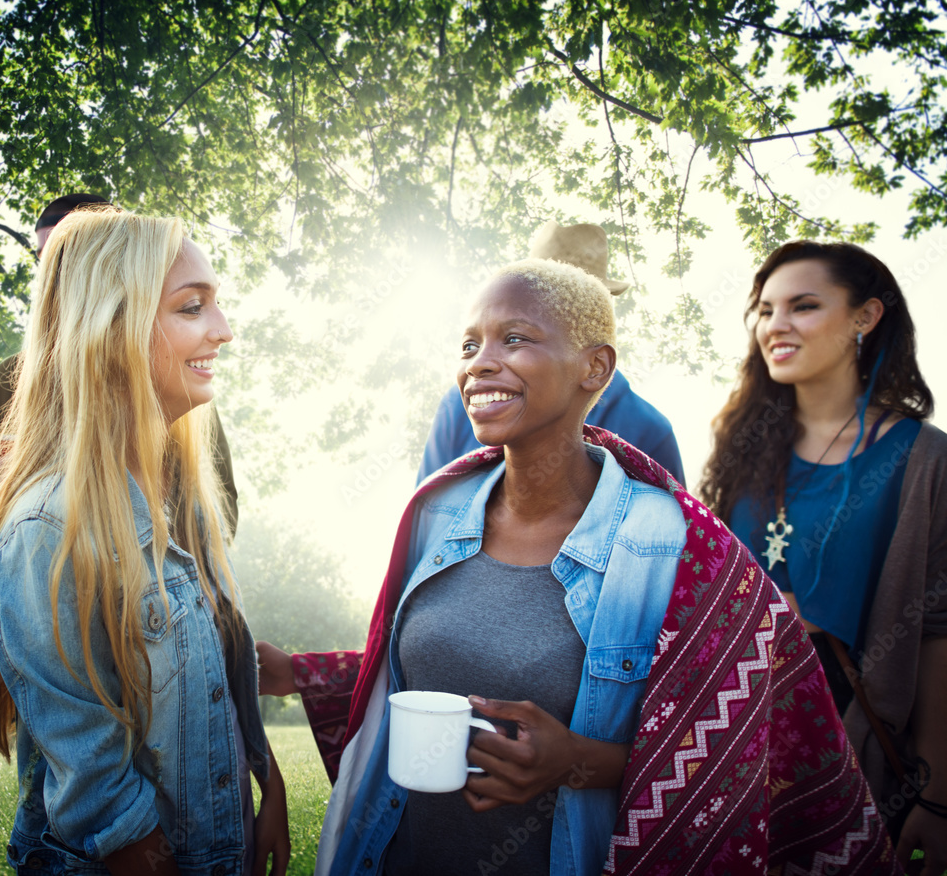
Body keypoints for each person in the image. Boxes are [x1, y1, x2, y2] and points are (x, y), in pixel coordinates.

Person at [258, 257, 897, 874]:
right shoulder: (435, 512)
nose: (481, 361)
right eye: (469, 344)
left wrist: (575, 763)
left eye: (514, 339)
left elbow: (745, 741)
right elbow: (410, 672)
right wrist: (300, 673)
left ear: (596, 367)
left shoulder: (678, 543)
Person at [0, 207, 289, 874]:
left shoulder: (187, 500)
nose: (224, 332)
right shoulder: (48, 530)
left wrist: (270, 784)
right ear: (111, 328)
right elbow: (108, 807)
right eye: (192, 307)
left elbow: (221, 669)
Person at [699, 240, 947, 873]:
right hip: (732, 744)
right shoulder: (742, 446)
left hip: (853, 752)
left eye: (803, 306)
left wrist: (939, 795)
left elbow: (938, 637)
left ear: (865, 317)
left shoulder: (924, 461)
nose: (774, 325)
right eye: (764, 309)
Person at [0, 193, 240, 536]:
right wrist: (0, 482)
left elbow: (222, 509)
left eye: (75, 252)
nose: (58, 271)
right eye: (47, 258)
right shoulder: (14, 376)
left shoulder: (178, 384)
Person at [415, 220, 685, 485]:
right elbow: (425, 513)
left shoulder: (649, 430)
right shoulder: (460, 407)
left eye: (572, 300)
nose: (480, 363)